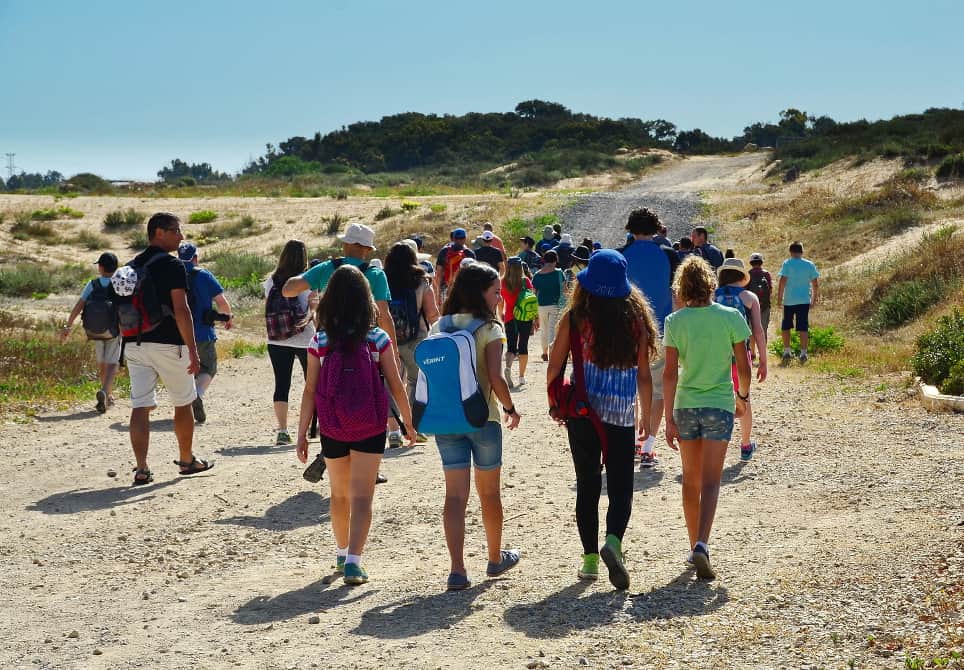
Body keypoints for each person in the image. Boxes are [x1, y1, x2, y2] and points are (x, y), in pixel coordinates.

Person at [296, 265, 415, 585]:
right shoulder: (378, 338)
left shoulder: (319, 341)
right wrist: (408, 424)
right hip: (370, 424)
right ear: (366, 301)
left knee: (339, 495)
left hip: (333, 426)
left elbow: (310, 390)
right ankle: (354, 562)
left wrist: (302, 434)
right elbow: (395, 384)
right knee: (362, 496)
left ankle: (340, 552)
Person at [546, 249, 656, 590]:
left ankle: (590, 560)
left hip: (582, 412)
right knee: (622, 486)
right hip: (621, 414)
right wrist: (646, 416)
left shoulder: (575, 318)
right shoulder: (636, 321)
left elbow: (554, 365)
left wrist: (553, 400)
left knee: (588, 484)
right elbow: (644, 376)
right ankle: (614, 543)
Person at [431, 262, 522, 590]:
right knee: (489, 493)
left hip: (446, 419)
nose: (500, 297)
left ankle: (457, 569)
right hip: (483, 418)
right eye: (495, 291)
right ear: (479, 292)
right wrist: (511, 408)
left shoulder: (439, 326)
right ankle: (495, 559)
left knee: (454, 497)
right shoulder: (490, 329)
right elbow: (496, 377)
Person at [662, 256, 751, 580]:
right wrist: (741, 397)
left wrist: (669, 418)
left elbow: (670, 373)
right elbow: (743, 365)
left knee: (690, 479)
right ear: (711, 284)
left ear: (682, 288)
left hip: (686, 405)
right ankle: (702, 543)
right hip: (719, 404)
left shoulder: (674, 321)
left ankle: (691, 546)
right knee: (712, 480)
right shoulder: (730, 317)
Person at [116, 213, 213, 485]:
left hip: (134, 343)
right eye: (176, 231)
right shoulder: (173, 266)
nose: (180, 237)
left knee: (140, 405)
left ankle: (142, 468)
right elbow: (181, 311)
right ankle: (186, 460)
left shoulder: (132, 265)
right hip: (169, 343)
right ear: (159, 232)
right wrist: (193, 351)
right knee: (183, 402)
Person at [618, 208, 679, 469]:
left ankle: (631, 441)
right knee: (657, 388)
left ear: (630, 228)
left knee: (629, 388)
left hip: (628, 329)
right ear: (656, 228)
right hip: (662, 328)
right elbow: (676, 295)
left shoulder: (621, 255)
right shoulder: (669, 254)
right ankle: (649, 446)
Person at [283, 223, 397, 346]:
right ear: (368, 249)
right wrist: (394, 351)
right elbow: (383, 317)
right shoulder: (376, 274)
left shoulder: (325, 268)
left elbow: (288, 290)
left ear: (345, 244)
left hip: (329, 341)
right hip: (364, 342)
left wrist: (307, 275)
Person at [385, 240, 440, 444]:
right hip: (416, 338)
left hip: (387, 340)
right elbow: (432, 312)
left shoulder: (383, 279)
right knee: (416, 382)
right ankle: (414, 427)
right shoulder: (421, 280)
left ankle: (393, 432)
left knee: (390, 383)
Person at [713, 258, 768, 461]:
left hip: (715, 356)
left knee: (716, 398)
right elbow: (758, 331)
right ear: (740, 276)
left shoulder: (712, 296)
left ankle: (716, 445)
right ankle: (745, 445)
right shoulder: (749, 297)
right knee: (743, 398)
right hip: (740, 356)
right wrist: (763, 360)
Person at [265, 240, 318, 446]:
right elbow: (312, 309)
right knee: (312, 383)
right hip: (305, 339)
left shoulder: (271, 280)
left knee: (281, 383)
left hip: (276, 339)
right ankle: (313, 427)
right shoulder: (306, 280)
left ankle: (283, 430)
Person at [177, 242, 233, 425]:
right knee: (208, 367)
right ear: (195, 258)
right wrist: (228, 317)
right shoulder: (203, 275)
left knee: (185, 369)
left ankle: (185, 403)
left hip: (177, 333)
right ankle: (197, 395)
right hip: (202, 333)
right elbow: (221, 301)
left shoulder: (173, 275)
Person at [60, 251, 122, 413]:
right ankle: (105, 392)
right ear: (116, 268)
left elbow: (79, 306)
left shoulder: (92, 284)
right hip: (114, 331)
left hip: (94, 330)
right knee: (113, 363)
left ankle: (107, 394)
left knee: (102, 362)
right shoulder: (119, 283)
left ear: (100, 267)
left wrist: (68, 326)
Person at [776, 241, 820, 365]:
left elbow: (782, 282)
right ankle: (804, 353)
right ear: (802, 251)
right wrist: (813, 300)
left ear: (790, 251)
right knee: (803, 326)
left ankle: (787, 351)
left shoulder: (787, 263)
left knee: (786, 326)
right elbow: (815, 284)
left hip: (789, 300)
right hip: (804, 300)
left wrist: (779, 299)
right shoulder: (809, 265)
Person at [501, 257, 538, 388]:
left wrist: (501, 312)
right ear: (521, 267)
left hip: (510, 317)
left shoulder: (503, 282)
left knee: (511, 346)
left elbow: (501, 301)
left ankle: (508, 367)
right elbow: (533, 300)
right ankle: (521, 377)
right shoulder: (526, 281)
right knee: (523, 346)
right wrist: (535, 318)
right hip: (525, 317)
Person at [531, 249, 565, 361]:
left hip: (541, 305)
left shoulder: (537, 275)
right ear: (555, 261)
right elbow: (565, 290)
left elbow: (533, 294)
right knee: (552, 329)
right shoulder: (559, 273)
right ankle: (551, 352)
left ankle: (544, 352)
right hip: (555, 305)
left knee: (544, 329)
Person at [433, 228, 476, 304]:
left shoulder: (444, 251)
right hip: (464, 290)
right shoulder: (469, 253)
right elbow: (475, 275)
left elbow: (438, 274)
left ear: (453, 238)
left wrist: (437, 294)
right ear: (465, 238)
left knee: (446, 312)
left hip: (446, 287)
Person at [746, 252, 773, 360]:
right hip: (765, 305)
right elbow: (770, 289)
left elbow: (745, 290)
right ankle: (763, 354)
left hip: (751, 306)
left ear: (751, 262)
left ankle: (752, 353)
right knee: (763, 329)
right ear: (761, 262)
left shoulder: (748, 274)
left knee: (751, 329)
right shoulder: (766, 274)